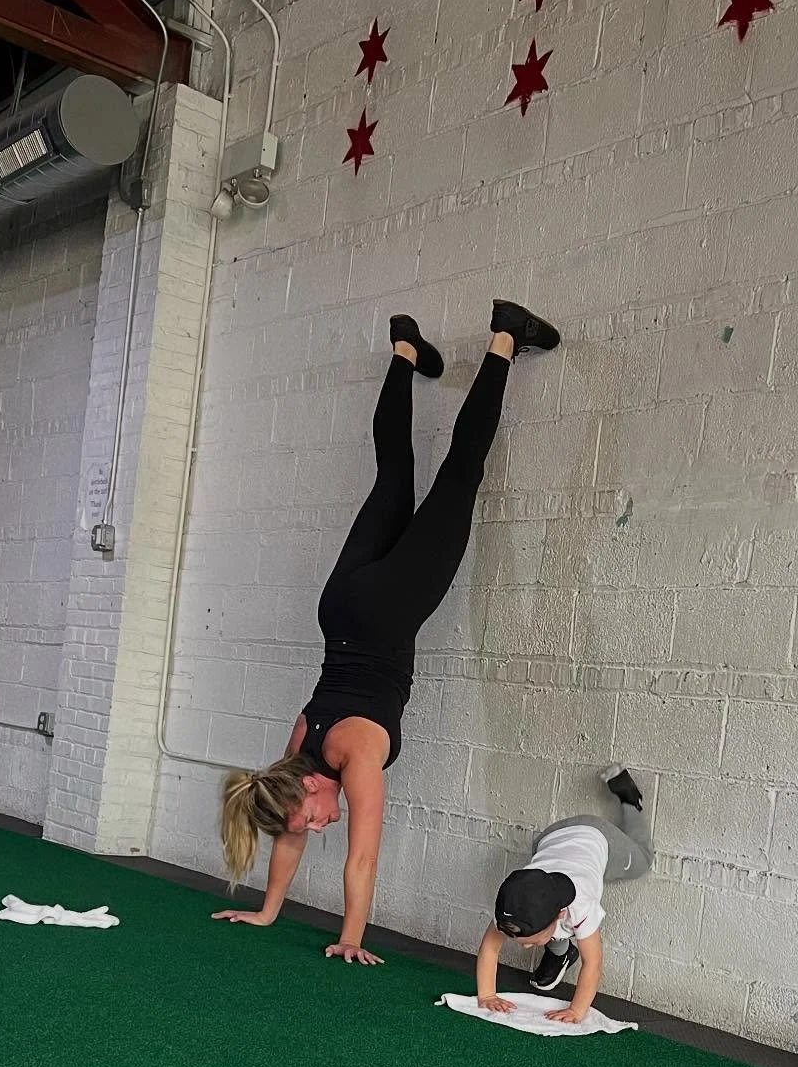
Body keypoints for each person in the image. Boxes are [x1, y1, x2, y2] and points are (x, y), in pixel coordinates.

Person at [213, 301, 562, 964]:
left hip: (390, 610)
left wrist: (350, 938)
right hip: (339, 607)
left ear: (309, 789)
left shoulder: (355, 757)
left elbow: (363, 858)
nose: (320, 827)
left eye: (314, 818)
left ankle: (506, 336)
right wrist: (266, 911)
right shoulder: (295, 754)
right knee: (394, 474)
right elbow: (288, 834)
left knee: (461, 472)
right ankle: (405, 352)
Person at [474, 765, 652, 1022]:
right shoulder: (512, 902)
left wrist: (576, 1010)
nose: (525, 947)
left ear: (560, 913)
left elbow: (593, 964)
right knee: (544, 921)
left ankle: (631, 800)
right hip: (550, 837)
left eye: (531, 942)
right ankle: (561, 953)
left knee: (643, 860)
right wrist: (487, 995)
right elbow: (490, 948)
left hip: (596, 834)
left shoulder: (581, 904)